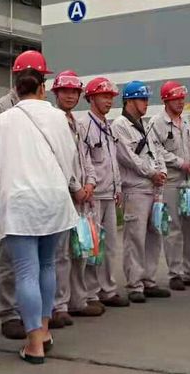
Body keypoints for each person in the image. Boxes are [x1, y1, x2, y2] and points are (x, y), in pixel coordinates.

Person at [0, 64, 78, 365]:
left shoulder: (5, 119)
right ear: (42, 89)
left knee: (26, 272)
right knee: (47, 266)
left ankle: (34, 343)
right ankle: (45, 331)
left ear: (16, 90)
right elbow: (70, 156)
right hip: (54, 199)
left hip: (21, 202)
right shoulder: (58, 117)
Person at [0, 50, 47, 341]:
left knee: (36, 258)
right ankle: (9, 312)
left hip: (38, 192)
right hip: (12, 190)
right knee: (9, 257)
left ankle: (31, 313)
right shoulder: (1, 109)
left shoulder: (45, 109)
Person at [150, 81, 190, 292]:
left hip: (188, 181)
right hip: (170, 181)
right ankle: (175, 273)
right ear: (166, 100)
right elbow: (157, 151)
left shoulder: (185, 122)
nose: (180, 102)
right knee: (173, 228)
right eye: (176, 99)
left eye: (182, 98)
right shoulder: (157, 123)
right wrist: (180, 163)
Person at [49, 70, 100, 326]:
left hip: (82, 196)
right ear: (56, 93)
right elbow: (59, 160)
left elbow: (85, 157)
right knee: (61, 253)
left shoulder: (78, 124)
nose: (70, 96)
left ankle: (78, 300)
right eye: (65, 91)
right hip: (64, 195)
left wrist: (90, 182)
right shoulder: (53, 121)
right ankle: (59, 305)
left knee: (81, 249)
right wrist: (76, 187)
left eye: (74, 92)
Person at [113, 81, 169, 304]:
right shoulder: (120, 125)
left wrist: (162, 171)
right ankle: (135, 283)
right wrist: (151, 173)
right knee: (135, 237)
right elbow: (128, 157)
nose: (146, 103)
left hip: (153, 188)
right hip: (135, 189)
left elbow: (157, 151)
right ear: (129, 101)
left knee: (154, 235)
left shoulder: (145, 125)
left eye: (146, 99)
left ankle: (149, 279)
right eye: (142, 99)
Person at [80, 77, 128, 309]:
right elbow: (85, 160)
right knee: (93, 245)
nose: (108, 100)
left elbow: (113, 160)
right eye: (104, 96)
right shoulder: (84, 125)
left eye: (110, 97)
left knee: (110, 246)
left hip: (109, 193)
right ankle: (91, 292)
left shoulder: (108, 126)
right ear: (91, 98)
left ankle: (108, 289)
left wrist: (118, 187)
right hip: (94, 195)